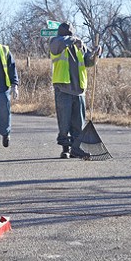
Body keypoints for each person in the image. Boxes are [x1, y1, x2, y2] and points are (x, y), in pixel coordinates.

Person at [49, 22, 102, 159]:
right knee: (64, 122)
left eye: (71, 34)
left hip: (79, 89)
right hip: (63, 88)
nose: (70, 36)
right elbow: (60, 43)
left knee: (78, 122)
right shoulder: (55, 42)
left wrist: (95, 54)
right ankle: (65, 148)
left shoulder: (80, 46)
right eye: (68, 34)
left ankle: (75, 148)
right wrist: (74, 40)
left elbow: (88, 62)